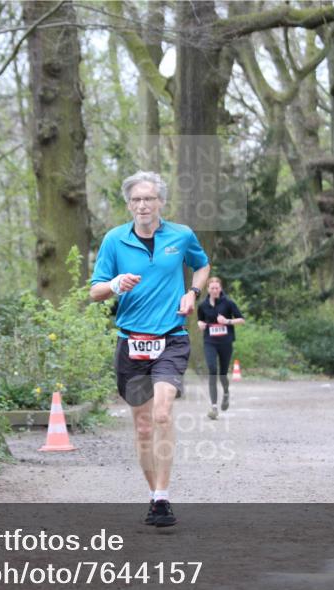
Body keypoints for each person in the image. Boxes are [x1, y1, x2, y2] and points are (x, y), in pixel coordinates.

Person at [90, 171, 210, 528]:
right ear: (129, 205)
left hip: (171, 338)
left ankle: (163, 496)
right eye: (137, 200)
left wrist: (193, 293)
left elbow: (201, 265)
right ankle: (154, 495)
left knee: (161, 413)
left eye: (149, 198)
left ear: (161, 202)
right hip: (131, 341)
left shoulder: (181, 236)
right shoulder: (115, 240)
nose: (143, 205)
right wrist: (114, 284)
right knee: (143, 426)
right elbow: (95, 291)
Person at [196, 277, 244, 419]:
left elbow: (241, 319)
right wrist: (200, 324)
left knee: (222, 374)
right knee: (212, 369)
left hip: (225, 342)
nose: (215, 290)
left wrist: (227, 321)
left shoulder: (228, 303)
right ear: (208, 289)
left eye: (217, 288)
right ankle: (214, 407)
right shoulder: (203, 305)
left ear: (220, 289)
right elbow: (200, 319)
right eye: (212, 288)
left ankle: (226, 392)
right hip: (209, 341)